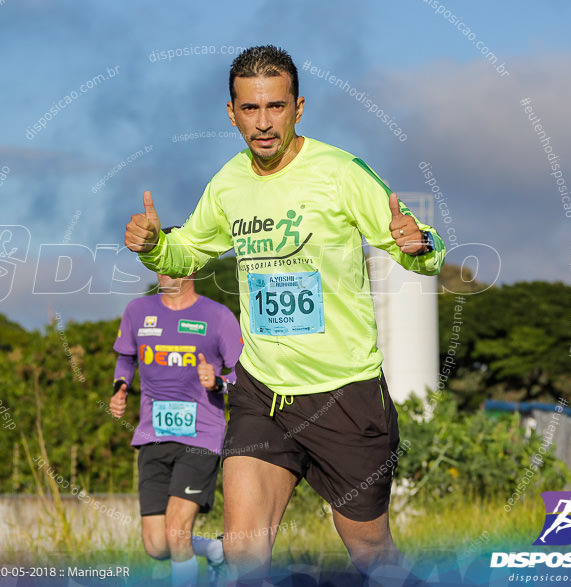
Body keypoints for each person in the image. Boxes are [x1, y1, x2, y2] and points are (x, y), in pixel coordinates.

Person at [124, 45, 445, 583]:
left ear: (299, 108)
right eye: (250, 109)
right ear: (232, 112)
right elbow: (190, 253)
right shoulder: (228, 183)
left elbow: (419, 247)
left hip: (344, 394)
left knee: (371, 553)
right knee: (246, 553)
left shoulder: (341, 173)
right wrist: (156, 246)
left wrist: (421, 243)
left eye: (276, 107)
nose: (264, 123)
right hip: (262, 392)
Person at [110, 259, 242, 586]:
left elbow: (243, 373)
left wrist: (218, 382)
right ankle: (216, 550)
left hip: (202, 437)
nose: (166, 273)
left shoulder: (218, 316)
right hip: (153, 436)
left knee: (176, 531)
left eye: (175, 265)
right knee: (157, 544)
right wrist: (121, 387)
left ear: (192, 268)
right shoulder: (137, 311)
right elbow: (126, 357)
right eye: (160, 265)